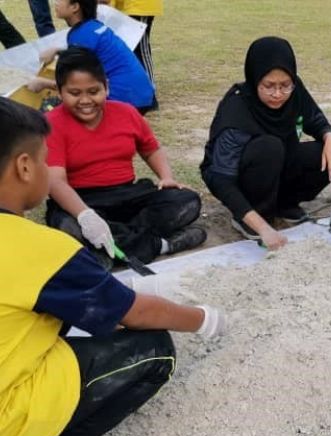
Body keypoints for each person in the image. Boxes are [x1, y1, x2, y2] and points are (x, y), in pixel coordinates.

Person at [0, 96, 226, 436]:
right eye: (43, 160)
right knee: (154, 350)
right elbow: (137, 313)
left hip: (122, 204)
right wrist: (204, 319)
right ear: (25, 167)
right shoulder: (39, 250)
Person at [45, 47, 205, 270]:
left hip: (128, 195)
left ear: (106, 87)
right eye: (74, 93)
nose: (85, 100)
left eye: (93, 91)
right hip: (81, 200)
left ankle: (107, 251)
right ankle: (160, 245)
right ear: (60, 92)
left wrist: (166, 176)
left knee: (186, 201)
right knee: (68, 225)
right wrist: (85, 215)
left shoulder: (126, 112)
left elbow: (151, 149)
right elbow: (55, 182)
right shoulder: (51, 123)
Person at [201, 36, 331, 250]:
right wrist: (261, 227)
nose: (278, 94)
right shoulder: (236, 109)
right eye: (268, 86)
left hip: (278, 166)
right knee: (269, 147)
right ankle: (252, 216)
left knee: (329, 152)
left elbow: (314, 119)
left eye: (285, 85)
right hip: (245, 177)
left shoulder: (295, 91)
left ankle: (285, 205)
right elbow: (220, 179)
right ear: (254, 78)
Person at [30, 0, 155, 113]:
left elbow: (79, 84)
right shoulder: (93, 27)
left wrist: (43, 83)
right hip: (141, 94)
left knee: (50, 111)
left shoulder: (82, 35)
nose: (55, 2)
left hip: (125, 99)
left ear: (75, 7)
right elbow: (86, 52)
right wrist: (57, 50)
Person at [98, 0, 162, 109]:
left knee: (141, 47)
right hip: (127, 6)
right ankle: (138, 90)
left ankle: (150, 94)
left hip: (139, 6)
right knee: (130, 48)